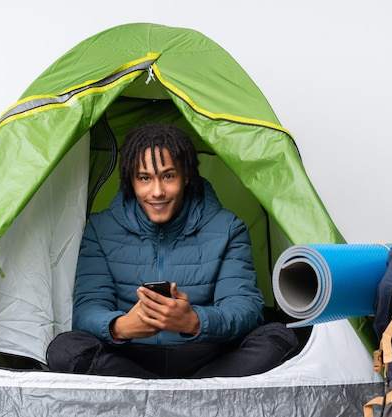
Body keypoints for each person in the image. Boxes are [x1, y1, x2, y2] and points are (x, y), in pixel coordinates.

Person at [47, 122, 298, 378]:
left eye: (168, 176)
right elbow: (87, 309)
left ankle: (156, 398)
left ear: (186, 176)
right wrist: (120, 327)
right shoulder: (101, 228)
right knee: (64, 349)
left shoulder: (228, 228)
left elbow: (245, 307)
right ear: (131, 181)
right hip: (130, 359)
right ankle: (186, 398)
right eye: (144, 178)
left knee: (279, 339)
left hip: (207, 356)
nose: (157, 192)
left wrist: (194, 322)